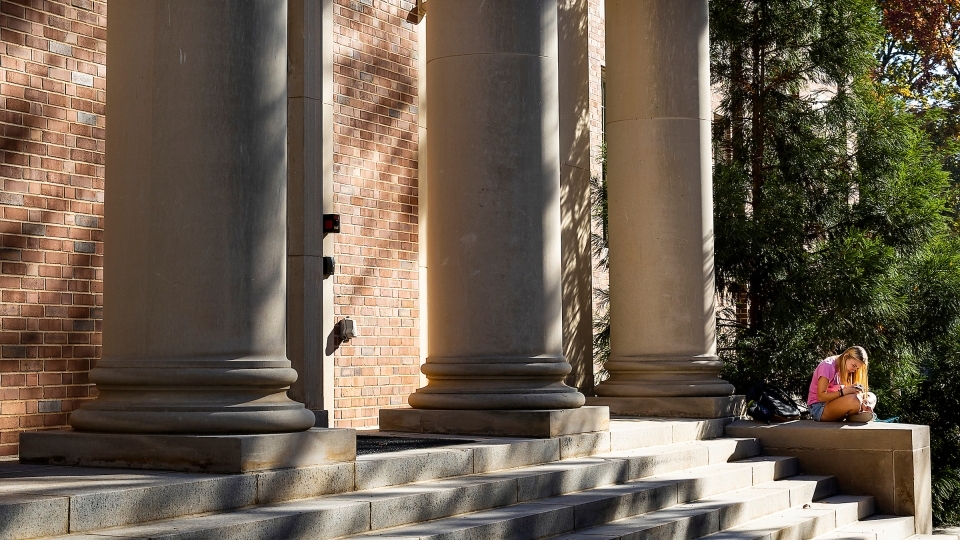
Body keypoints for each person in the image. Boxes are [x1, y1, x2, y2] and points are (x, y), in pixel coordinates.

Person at [807, 346, 876, 422]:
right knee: (855, 400)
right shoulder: (827, 366)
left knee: (871, 396)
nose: (854, 370)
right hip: (819, 408)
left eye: (857, 368)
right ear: (846, 356)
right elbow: (821, 397)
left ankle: (861, 410)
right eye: (854, 365)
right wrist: (844, 392)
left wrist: (863, 401)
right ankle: (854, 414)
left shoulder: (845, 368)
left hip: (836, 402)